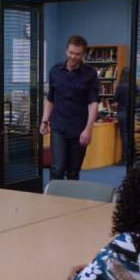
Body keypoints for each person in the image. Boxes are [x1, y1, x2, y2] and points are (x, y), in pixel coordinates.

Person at [41, 35, 100, 180]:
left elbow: (93, 103)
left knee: (73, 172)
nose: (73, 57)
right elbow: (50, 99)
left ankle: (71, 195)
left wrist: (88, 129)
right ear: (66, 50)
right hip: (59, 126)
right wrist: (44, 120)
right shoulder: (55, 71)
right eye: (71, 52)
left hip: (79, 129)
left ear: (83, 54)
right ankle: (54, 195)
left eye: (77, 54)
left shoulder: (90, 73)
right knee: (57, 168)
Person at [113, 67, 140, 164]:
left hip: (122, 111)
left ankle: (126, 158)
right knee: (130, 133)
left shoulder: (120, 87)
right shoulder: (134, 86)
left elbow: (115, 99)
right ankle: (133, 155)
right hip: (131, 112)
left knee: (124, 135)